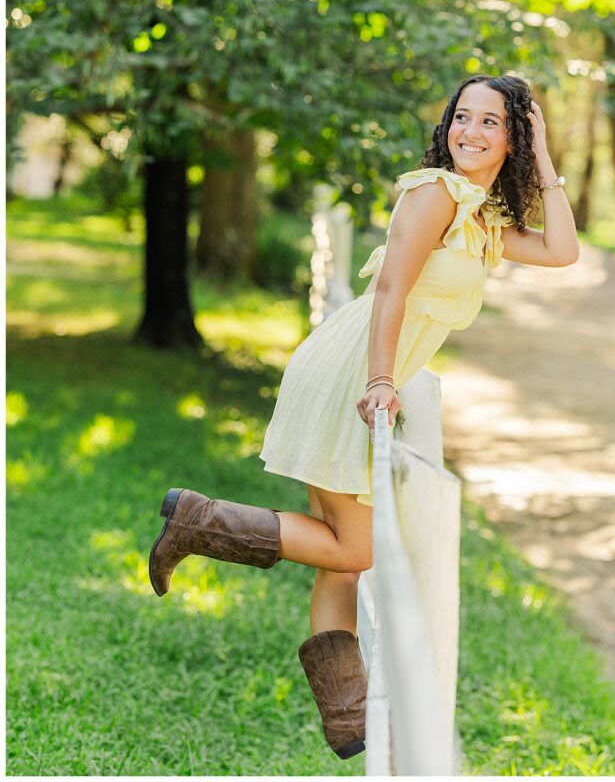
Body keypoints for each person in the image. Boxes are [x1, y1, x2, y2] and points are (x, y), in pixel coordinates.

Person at [148, 73, 579, 759]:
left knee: (343, 554)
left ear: (513, 136)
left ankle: (347, 718)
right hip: (351, 371)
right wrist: (381, 379)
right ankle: (198, 522)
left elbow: (563, 251)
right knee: (357, 547)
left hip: (364, 371)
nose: (470, 131)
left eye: (491, 122)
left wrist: (545, 154)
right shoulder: (434, 192)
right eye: (461, 117)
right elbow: (389, 291)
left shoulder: (481, 218)